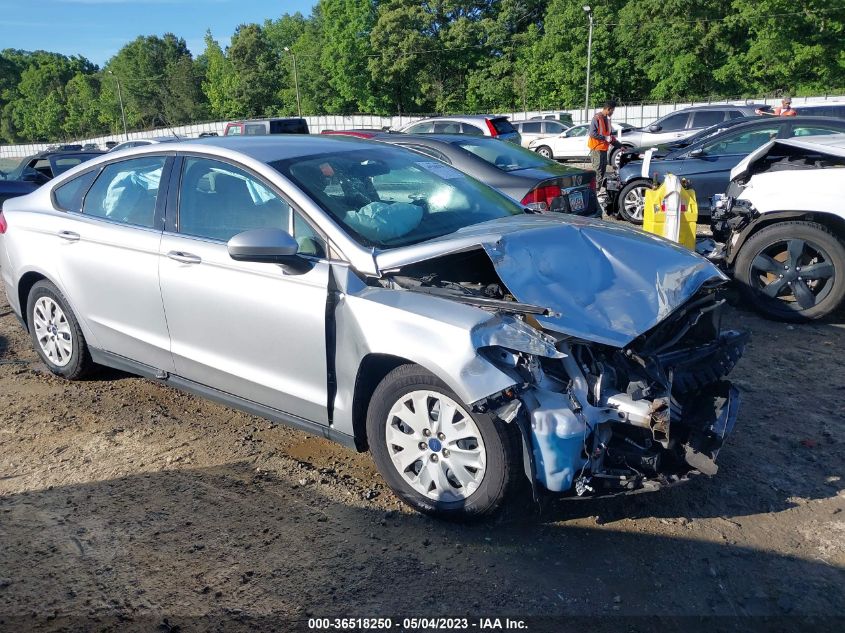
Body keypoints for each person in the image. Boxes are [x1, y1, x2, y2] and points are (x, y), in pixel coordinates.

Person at [587, 100, 621, 186]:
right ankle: (595, 192)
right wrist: (605, 138)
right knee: (598, 171)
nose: (612, 112)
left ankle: (598, 191)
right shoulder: (597, 118)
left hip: (604, 149)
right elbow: (592, 133)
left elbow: (610, 137)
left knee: (602, 171)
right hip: (596, 149)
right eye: (612, 110)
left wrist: (620, 146)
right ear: (608, 109)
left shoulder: (607, 120)